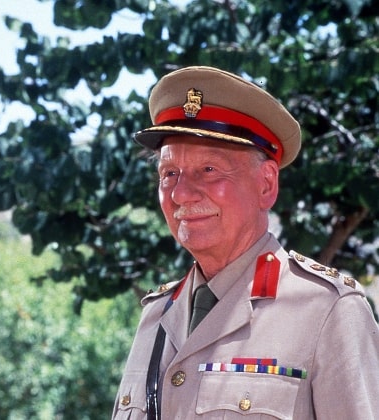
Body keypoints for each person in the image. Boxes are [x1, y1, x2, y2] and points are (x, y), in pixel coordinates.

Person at [113, 66, 379, 419]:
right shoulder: (157, 314)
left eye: (208, 170)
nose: (180, 194)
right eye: (169, 173)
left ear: (266, 184)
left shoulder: (328, 310)